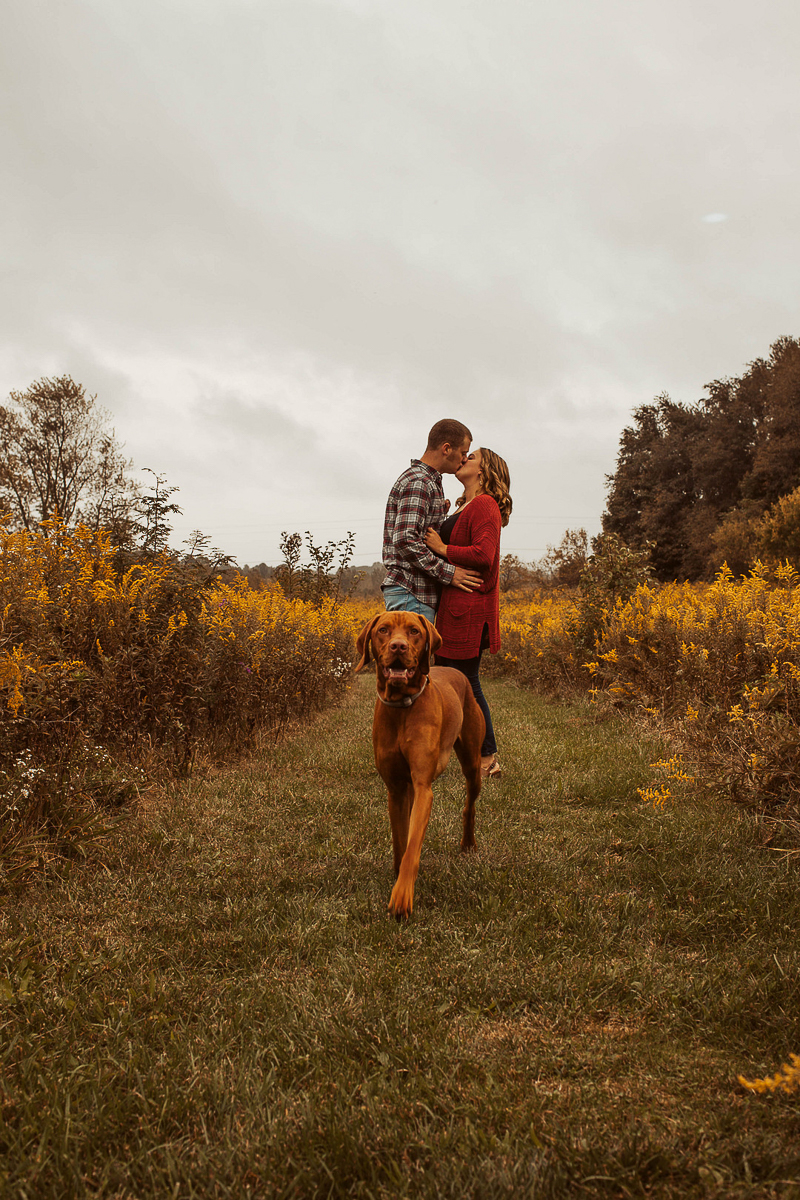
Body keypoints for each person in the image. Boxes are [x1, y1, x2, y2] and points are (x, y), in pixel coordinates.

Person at [424, 447, 512, 779]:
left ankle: (487, 759)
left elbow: (484, 555)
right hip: (456, 608)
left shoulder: (486, 504)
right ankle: (452, 752)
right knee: (451, 683)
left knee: (466, 684)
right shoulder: (467, 506)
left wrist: (443, 549)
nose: (464, 460)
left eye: (471, 457)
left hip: (470, 612)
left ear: (484, 471)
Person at [382, 419, 482, 621]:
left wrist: (439, 515)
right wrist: (449, 573)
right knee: (411, 653)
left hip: (413, 593)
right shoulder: (420, 482)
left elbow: (420, 535)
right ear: (446, 448)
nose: (463, 460)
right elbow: (405, 539)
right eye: (463, 453)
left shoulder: (426, 481)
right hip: (412, 591)